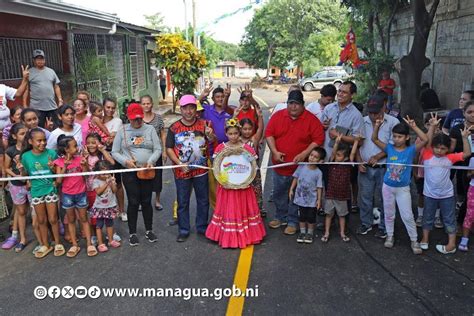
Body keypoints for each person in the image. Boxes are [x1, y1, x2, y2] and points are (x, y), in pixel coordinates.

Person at [265, 90, 325, 235]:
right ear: (287, 104)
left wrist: (305, 153)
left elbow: (318, 139)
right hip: (280, 165)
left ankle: (292, 221)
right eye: (291, 103)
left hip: (300, 169)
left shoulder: (311, 119)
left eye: (297, 104)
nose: (293, 107)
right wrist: (274, 151)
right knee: (279, 193)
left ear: (303, 105)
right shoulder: (278, 116)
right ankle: (280, 217)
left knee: (296, 195)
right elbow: (269, 134)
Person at [205, 118, 266, 248]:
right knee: (229, 210)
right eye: (230, 134)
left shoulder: (247, 149)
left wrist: (247, 178)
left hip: (244, 186)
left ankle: (246, 235)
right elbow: (217, 167)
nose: (233, 136)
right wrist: (223, 180)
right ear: (226, 134)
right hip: (227, 187)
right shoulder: (221, 148)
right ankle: (227, 237)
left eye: (236, 133)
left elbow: (252, 165)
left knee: (243, 209)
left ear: (239, 133)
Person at [372, 116, 429, 254]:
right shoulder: (389, 148)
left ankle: (414, 240)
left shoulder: (410, 151)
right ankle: (390, 235)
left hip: (403, 188)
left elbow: (426, 139)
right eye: (394, 136)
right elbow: (374, 139)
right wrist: (377, 126)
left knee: (407, 215)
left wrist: (414, 126)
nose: (396, 139)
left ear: (407, 137)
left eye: (400, 136)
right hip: (387, 187)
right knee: (389, 214)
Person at [166, 95, 215, 242]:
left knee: (203, 200)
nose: (188, 111)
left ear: (196, 109)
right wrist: (179, 163)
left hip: (201, 169)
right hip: (182, 172)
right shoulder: (174, 128)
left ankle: (201, 227)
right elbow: (168, 148)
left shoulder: (205, 124)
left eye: (191, 108)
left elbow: (213, 141)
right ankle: (183, 229)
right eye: (185, 108)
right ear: (181, 109)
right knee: (183, 201)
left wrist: (211, 135)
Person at [111, 103, 161, 246]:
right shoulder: (123, 131)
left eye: (139, 118)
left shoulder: (150, 129)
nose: (137, 122)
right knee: (133, 201)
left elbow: (158, 149)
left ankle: (149, 230)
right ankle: (132, 232)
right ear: (128, 117)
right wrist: (125, 161)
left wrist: (151, 161)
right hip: (130, 172)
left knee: (146, 201)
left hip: (147, 170)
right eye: (134, 119)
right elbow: (114, 152)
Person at [420, 127, 471, 254]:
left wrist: (464, 138)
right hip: (429, 194)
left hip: (446, 195)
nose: (439, 150)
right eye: (437, 147)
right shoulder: (427, 154)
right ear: (432, 147)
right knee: (427, 217)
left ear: (448, 149)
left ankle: (451, 244)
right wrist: (431, 127)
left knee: (449, 218)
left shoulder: (450, 158)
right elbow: (426, 140)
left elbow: (467, 154)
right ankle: (424, 239)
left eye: (443, 148)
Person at [356, 93, 399, 237]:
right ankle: (365, 223)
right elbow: (356, 144)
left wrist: (378, 156)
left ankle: (384, 226)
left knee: (384, 198)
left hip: (384, 167)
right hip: (365, 167)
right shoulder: (362, 121)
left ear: (384, 108)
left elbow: (395, 145)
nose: (373, 116)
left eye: (376, 112)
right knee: (365, 197)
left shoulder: (393, 122)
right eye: (370, 112)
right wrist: (359, 161)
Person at [20, 128, 65, 258]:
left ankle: (57, 243)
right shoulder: (26, 156)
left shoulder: (52, 153)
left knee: (53, 219)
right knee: (41, 220)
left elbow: (58, 172)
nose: (43, 143)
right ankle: (46, 244)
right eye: (39, 140)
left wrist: (55, 176)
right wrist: (21, 170)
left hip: (50, 190)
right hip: (36, 191)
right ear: (30, 141)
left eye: (44, 140)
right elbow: (25, 175)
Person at [54, 135, 97, 257]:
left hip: (81, 194)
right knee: (71, 220)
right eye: (74, 146)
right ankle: (74, 245)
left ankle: (89, 244)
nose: (77, 147)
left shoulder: (80, 159)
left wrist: (84, 164)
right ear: (66, 149)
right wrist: (65, 167)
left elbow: (87, 175)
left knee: (84, 219)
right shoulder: (59, 162)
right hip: (67, 195)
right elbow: (58, 181)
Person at [3, 123, 35, 252]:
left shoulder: (30, 149)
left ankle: (42, 239)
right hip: (17, 185)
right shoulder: (10, 150)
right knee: (21, 212)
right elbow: (6, 168)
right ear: (14, 136)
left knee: (35, 213)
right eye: (22, 134)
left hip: (31, 184)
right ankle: (22, 239)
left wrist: (27, 179)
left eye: (26, 133)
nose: (25, 136)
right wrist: (16, 176)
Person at [321, 135, 359, 243]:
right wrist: (336, 142)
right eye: (336, 154)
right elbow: (333, 153)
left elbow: (352, 154)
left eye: (339, 155)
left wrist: (356, 142)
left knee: (342, 215)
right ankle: (326, 232)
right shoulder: (332, 163)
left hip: (342, 196)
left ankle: (342, 232)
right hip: (331, 194)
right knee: (329, 214)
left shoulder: (348, 164)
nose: (336, 157)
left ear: (346, 158)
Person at [289, 147, 325, 244]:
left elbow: (319, 187)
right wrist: (291, 189)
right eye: (311, 155)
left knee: (311, 218)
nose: (312, 158)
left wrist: (319, 200)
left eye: (315, 157)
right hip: (300, 198)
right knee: (301, 216)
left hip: (311, 200)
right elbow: (296, 177)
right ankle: (302, 232)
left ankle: (309, 234)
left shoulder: (318, 173)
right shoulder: (301, 166)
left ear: (320, 161)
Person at [23, 49, 63, 128]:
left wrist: (60, 99)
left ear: (44, 59)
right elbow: (26, 89)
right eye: (37, 59)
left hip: (51, 106)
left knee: (56, 127)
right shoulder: (29, 72)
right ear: (34, 60)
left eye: (42, 59)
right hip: (36, 107)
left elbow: (56, 86)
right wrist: (24, 104)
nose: (40, 61)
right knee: (38, 129)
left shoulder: (51, 71)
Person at [141, 95, 167, 210]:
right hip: (142, 154)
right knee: (142, 177)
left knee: (157, 177)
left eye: (148, 103)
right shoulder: (138, 119)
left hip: (156, 153)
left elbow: (162, 134)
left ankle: (157, 200)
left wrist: (164, 151)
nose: (146, 106)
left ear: (152, 104)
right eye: (144, 103)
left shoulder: (158, 118)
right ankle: (144, 201)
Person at [89, 160, 121, 252]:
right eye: (103, 173)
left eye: (107, 172)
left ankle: (110, 240)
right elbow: (98, 192)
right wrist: (107, 183)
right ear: (97, 173)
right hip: (100, 207)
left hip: (110, 206)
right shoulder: (96, 181)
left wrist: (112, 183)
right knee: (99, 225)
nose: (106, 175)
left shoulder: (111, 179)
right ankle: (100, 244)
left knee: (110, 223)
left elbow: (115, 191)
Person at [103, 98, 126, 222]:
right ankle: (108, 209)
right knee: (103, 183)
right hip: (101, 155)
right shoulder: (97, 120)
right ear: (103, 107)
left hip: (114, 154)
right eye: (108, 107)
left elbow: (111, 138)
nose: (110, 110)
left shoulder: (117, 121)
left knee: (117, 182)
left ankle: (122, 210)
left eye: (112, 107)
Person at [239, 110, 265, 216]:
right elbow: (229, 128)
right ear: (240, 129)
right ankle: (244, 211)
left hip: (254, 172)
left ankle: (257, 210)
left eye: (250, 129)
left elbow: (261, 128)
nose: (247, 131)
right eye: (244, 129)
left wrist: (260, 117)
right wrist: (235, 115)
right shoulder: (237, 140)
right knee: (243, 192)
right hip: (241, 171)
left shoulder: (254, 139)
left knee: (256, 191)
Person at [459, 156, 474, 251]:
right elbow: (468, 174)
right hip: (473, 189)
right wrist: (472, 173)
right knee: (470, 214)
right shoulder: (473, 159)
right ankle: (464, 239)